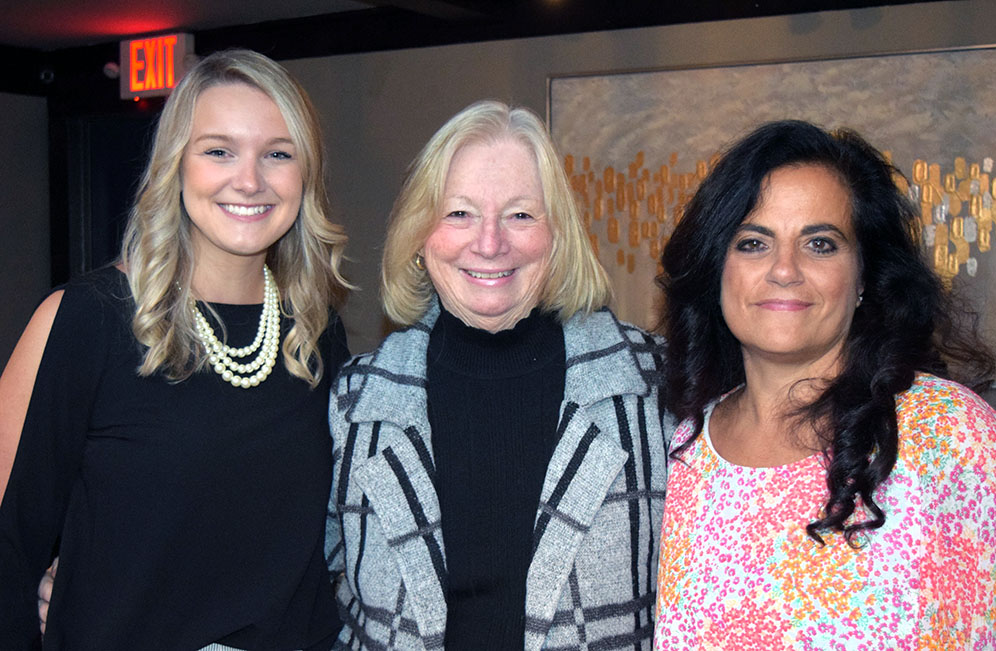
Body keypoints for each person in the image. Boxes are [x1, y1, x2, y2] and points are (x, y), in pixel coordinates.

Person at [0, 49, 351, 649]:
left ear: (305, 175)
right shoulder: (84, 322)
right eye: (218, 150)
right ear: (175, 166)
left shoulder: (314, 333)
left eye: (277, 153)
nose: (250, 179)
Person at [325, 100, 666, 650]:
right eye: (458, 213)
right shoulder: (356, 400)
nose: (489, 243)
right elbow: (325, 596)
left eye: (520, 214)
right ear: (420, 236)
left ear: (558, 237)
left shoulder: (654, 385)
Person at [653, 120, 996, 648]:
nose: (785, 270)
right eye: (752, 243)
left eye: (820, 243)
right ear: (715, 269)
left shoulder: (949, 434)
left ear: (863, 276)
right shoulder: (686, 448)